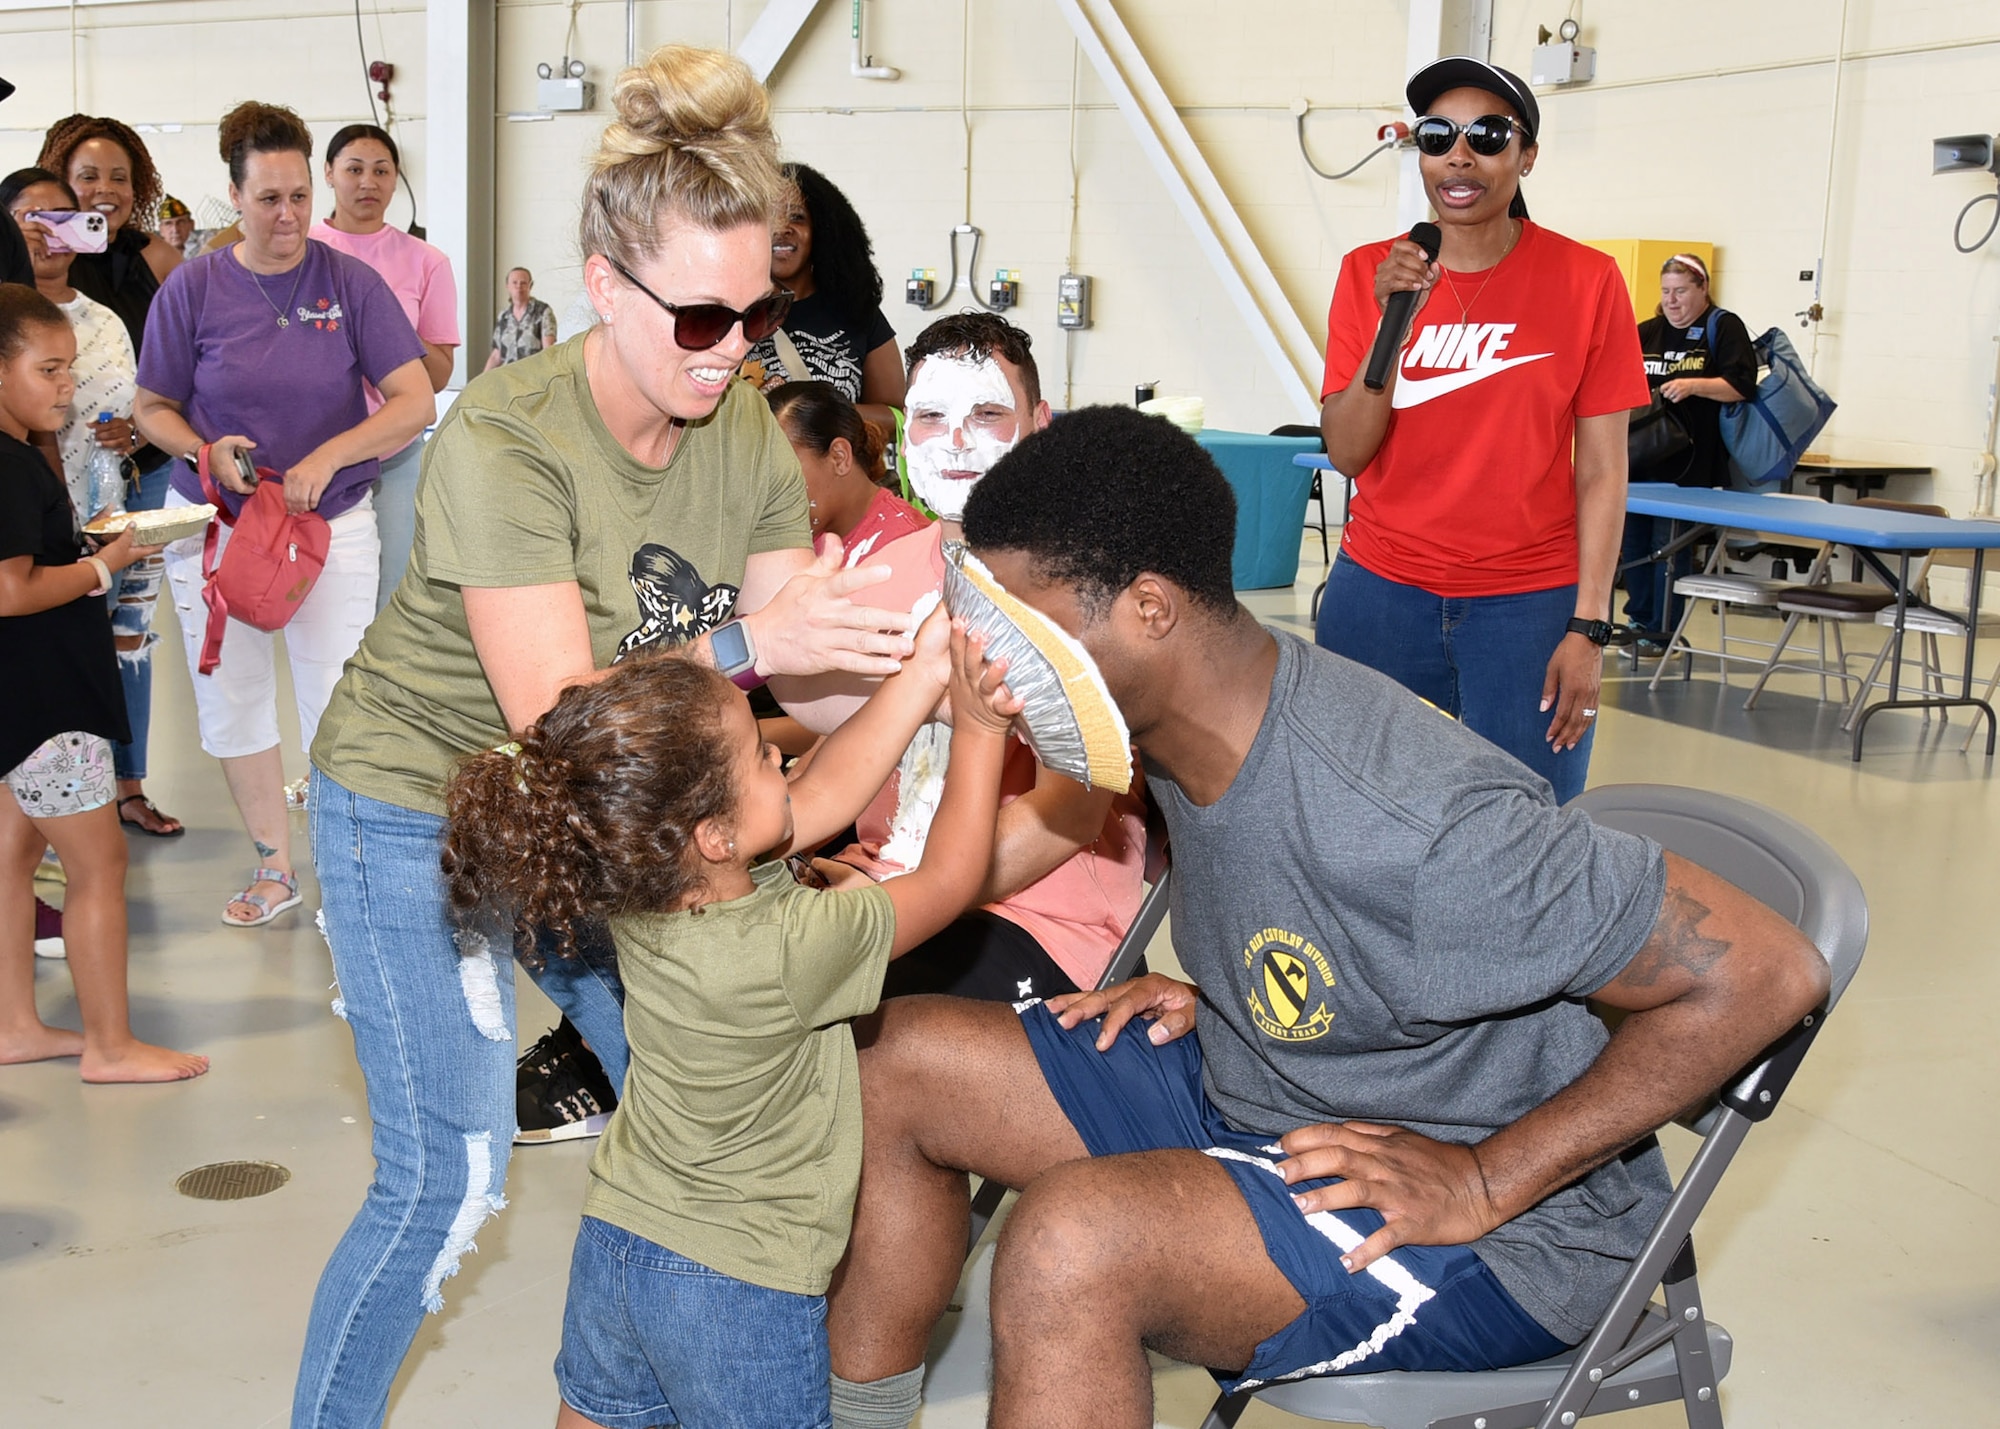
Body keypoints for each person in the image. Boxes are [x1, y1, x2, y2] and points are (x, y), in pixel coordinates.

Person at [819, 405, 1832, 1429]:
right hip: (1276, 1080)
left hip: (1503, 1238)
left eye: (1020, 632)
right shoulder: (1170, 722)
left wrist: (1486, 1177)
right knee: (887, 1060)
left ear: (1149, 610)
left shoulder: (1415, 819)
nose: (992, 667)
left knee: (1072, 1243)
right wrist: (1232, 997)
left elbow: (1764, 969)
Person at [295, 45, 923, 1426]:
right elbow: (563, 720)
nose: (732, 351)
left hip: (618, 808)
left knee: (711, 1106)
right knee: (445, 1179)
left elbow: (792, 698)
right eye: (698, 318)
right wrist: (771, 644)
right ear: (601, 285)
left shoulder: (749, 433)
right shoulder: (508, 437)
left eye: (755, 317)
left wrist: (922, 656)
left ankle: (624, 1395)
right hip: (422, 799)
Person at [444, 614, 1016, 1429]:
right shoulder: (789, 945)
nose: (778, 754)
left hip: (619, 1237)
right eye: (758, 752)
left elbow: (816, 794)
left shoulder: (647, 890)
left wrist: (924, 678)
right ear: (711, 835)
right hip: (739, 1286)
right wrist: (985, 728)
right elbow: (955, 875)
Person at [1313, 59, 1647, 804]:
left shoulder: (1587, 282)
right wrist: (1390, 323)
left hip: (1528, 608)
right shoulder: (1370, 273)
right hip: (1381, 594)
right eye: (1438, 136)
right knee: (1349, 819)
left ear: (1525, 156)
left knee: (1528, 826)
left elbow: (1601, 471)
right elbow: (1347, 450)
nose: (1459, 156)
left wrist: (1589, 628)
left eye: (1488, 136)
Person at [133, 101, 433, 930]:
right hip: (218, 525)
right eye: (269, 198)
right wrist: (201, 446)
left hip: (328, 525)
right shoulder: (194, 288)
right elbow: (151, 404)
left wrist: (333, 453)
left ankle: (346, 868)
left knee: (339, 695)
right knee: (232, 698)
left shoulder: (349, 283)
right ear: (235, 196)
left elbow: (413, 399)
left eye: (300, 194)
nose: (289, 215)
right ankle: (274, 862)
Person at [0, 282, 206, 1084]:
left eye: (69, 369)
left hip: (21, 702)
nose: (66, 387)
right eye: (49, 370)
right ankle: (110, 1045)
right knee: (98, 868)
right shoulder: (11, 466)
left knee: (13, 859)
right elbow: (12, 589)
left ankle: (16, 1023)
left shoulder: (20, 456)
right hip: (50, 701)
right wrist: (102, 565)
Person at [37, 114, 188, 836]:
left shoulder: (156, 259)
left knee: (132, 628)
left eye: (120, 177)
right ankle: (72, 794)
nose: (104, 190)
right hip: (63, 470)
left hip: (146, 468)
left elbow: (179, 366)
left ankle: (128, 783)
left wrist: (144, 427)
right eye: (88, 176)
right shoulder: (37, 263)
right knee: (74, 623)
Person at [310, 124, 461, 612]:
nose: (367, 182)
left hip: (395, 458)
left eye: (382, 170)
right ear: (329, 174)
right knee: (320, 597)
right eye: (354, 169)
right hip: (313, 453)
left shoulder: (426, 261)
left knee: (391, 595)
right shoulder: (300, 251)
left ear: (397, 180)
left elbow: (437, 377)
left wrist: (386, 322)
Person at [1619, 253, 1757, 648]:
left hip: (1688, 465)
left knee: (1668, 549)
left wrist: (1695, 385)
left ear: (1703, 290)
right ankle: (1639, 621)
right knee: (1633, 545)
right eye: (1666, 292)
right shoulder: (1648, 331)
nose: (1673, 300)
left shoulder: (1722, 327)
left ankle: (1665, 631)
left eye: (1681, 291)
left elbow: (1742, 387)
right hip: (1640, 459)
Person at [744, 162, 905, 428]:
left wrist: (818, 414)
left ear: (822, 230)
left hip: (833, 467)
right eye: (769, 217)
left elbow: (896, 417)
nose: (782, 227)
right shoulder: (727, 313)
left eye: (796, 217)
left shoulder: (856, 309)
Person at [768, 380, 923, 565]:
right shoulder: (785, 539)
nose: (771, 493)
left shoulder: (911, 547)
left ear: (839, 457)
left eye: (782, 471)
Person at [484, 266, 555, 369]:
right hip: (508, 378)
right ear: (507, 286)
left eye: (523, 283)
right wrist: (481, 380)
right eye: (514, 282)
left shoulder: (543, 312)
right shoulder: (503, 317)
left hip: (532, 376)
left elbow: (548, 350)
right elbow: (497, 355)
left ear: (530, 285)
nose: (519, 286)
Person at [156, 194, 197, 259]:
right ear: (161, 230)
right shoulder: (154, 257)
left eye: (180, 222)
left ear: (191, 225)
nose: (175, 230)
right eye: (168, 224)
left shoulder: (205, 252)